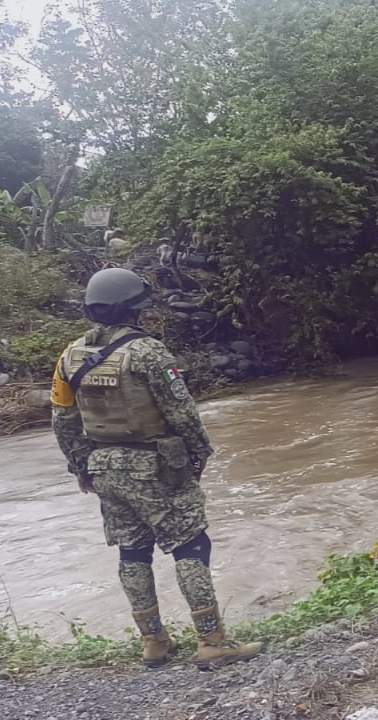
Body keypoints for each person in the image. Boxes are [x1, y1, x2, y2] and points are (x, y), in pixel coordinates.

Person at [50, 267, 261, 669]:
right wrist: (199, 456)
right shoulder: (149, 352)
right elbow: (182, 413)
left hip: (104, 468)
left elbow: (62, 420)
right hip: (157, 467)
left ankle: (153, 642)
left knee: (133, 552)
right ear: (136, 308)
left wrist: (82, 467)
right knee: (191, 546)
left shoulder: (69, 357)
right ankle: (212, 641)